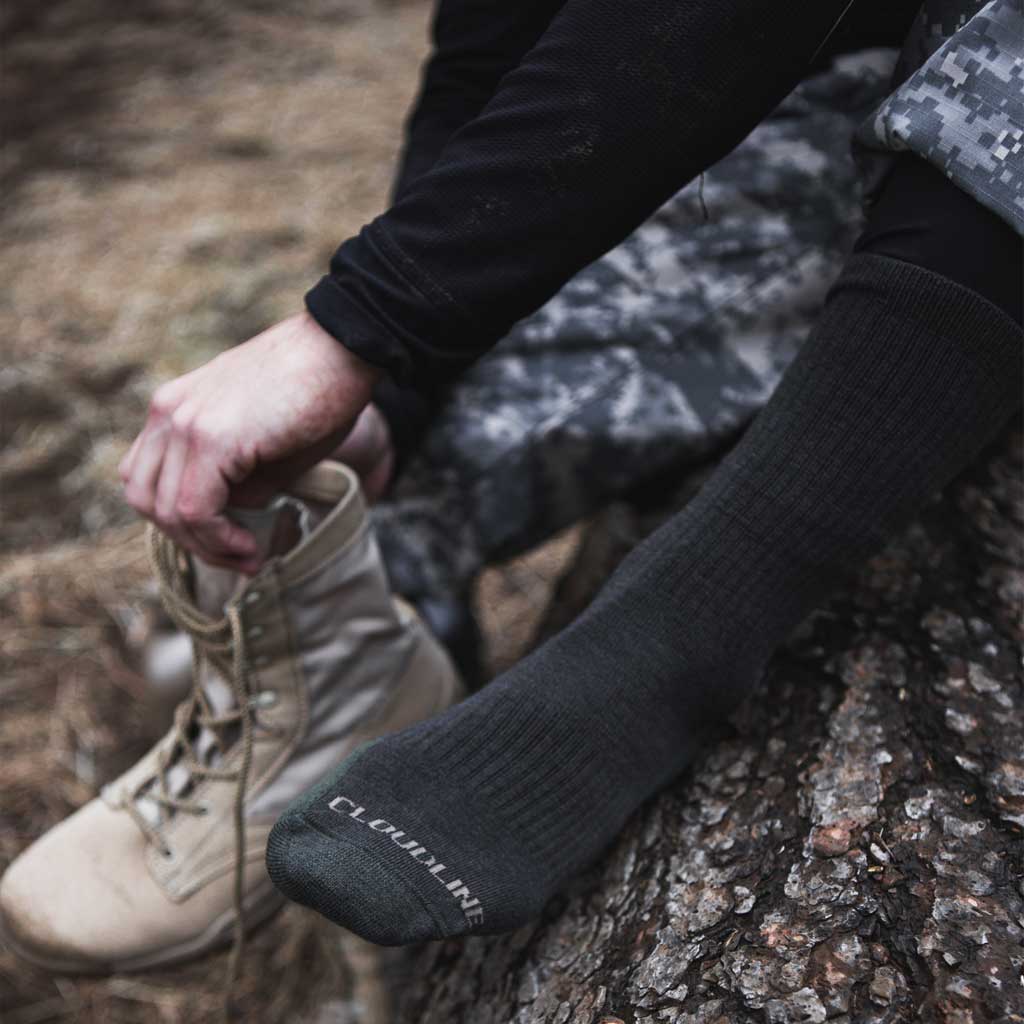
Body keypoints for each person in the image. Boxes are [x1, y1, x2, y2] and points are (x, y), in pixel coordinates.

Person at [1, 0, 1020, 974]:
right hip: (826, 96)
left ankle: (660, 653)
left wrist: (355, 321)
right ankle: (345, 666)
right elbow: (489, 55)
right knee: (404, 447)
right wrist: (388, 385)